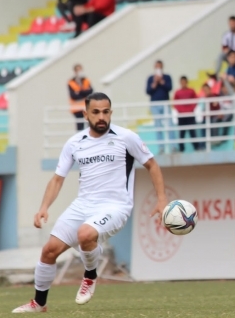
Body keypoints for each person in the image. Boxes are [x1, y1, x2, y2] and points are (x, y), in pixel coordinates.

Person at [12, 92, 167, 313]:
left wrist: (162, 199)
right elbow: (57, 179)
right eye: (96, 112)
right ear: (85, 114)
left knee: (85, 234)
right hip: (83, 205)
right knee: (49, 250)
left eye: (105, 112)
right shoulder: (75, 143)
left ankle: (90, 275)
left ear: (110, 112)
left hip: (115, 206)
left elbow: (152, 164)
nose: (101, 116)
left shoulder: (126, 137)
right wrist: (43, 208)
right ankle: (39, 303)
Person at [67, 64, 93, 131]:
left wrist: (79, 91)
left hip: (87, 107)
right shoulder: (71, 82)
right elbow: (73, 96)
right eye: (78, 70)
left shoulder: (86, 80)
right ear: (74, 71)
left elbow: (90, 91)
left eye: (80, 69)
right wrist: (84, 92)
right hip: (77, 109)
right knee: (80, 127)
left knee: (89, 126)